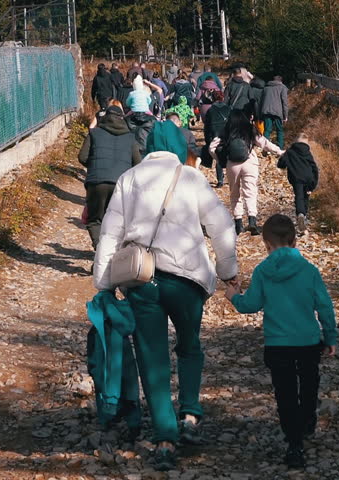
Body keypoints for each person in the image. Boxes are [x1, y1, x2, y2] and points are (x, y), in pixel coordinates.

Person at [94, 125, 239, 471]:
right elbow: (221, 224)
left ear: (146, 148)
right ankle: (190, 414)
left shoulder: (128, 179)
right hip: (187, 281)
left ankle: (164, 437)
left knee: (152, 357)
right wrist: (227, 269)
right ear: (178, 146)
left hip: (142, 280)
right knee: (189, 346)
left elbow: (110, 233)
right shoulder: (190, 177)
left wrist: (103, 283)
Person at [225, 214, 337, 469]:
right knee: (309, 382)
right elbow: (325, 307)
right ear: (294, 240)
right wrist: (330, 336)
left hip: (277, 344)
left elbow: (251, 305)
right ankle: (308, 418)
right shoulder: (309, 270)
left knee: (285, 393)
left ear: (266, 243)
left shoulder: (263, 271)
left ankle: (294, 444)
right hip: (308, 341)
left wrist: (233, 295)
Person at [209, 110, 284, 235]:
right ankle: (252, 221)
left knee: (235, 193)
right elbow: (264, 143)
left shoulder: (226, 131)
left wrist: (220, 160)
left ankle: (238, 224)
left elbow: (211, 147)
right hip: (250, 162)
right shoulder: (249, 129)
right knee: (250, 192)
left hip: (232, 164)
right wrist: (279, 151)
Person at [78, 105, 142, 248]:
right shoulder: (130, 138)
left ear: (105, 116)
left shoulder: (94, 133)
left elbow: (82, 157)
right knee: (117, 221)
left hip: (96, 182)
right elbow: (138, 164)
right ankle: (113, 253)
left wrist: (95, 163)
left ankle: (99, 249)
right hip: (121, 184)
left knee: (95, 220)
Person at [277, 133, 319, 235]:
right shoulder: (308, 153)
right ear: (306, 143)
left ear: (296, 142)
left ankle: (300, 214)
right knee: (306, 197)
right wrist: (313, 184)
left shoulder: (290, 152)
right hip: (309, 178)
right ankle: (304, 215)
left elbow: (281, 164)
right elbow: (315, 168)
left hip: (297, 178)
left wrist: (283, 158)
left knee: (299, 197)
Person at [203, 90, 231, 187]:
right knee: (228, 157)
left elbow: (207, 127)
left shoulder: (210, 110)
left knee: (218, 158)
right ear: (222, 98)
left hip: (214, 136)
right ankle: (231, 177)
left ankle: (220, 180)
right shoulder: (228, 109)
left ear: (213, 98)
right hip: (227, 136)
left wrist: (207, 140)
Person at [261, 75, 290, 149]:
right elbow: (285, 102)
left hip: (266, 111)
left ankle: (264, 147)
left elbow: (261, 101)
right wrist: (285, 115)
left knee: (267, 130)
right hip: (278, 112)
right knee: (279, 130)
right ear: (281, 81)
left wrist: (260, 114)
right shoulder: (282, 88)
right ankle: (279, 147)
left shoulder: (266, 88)